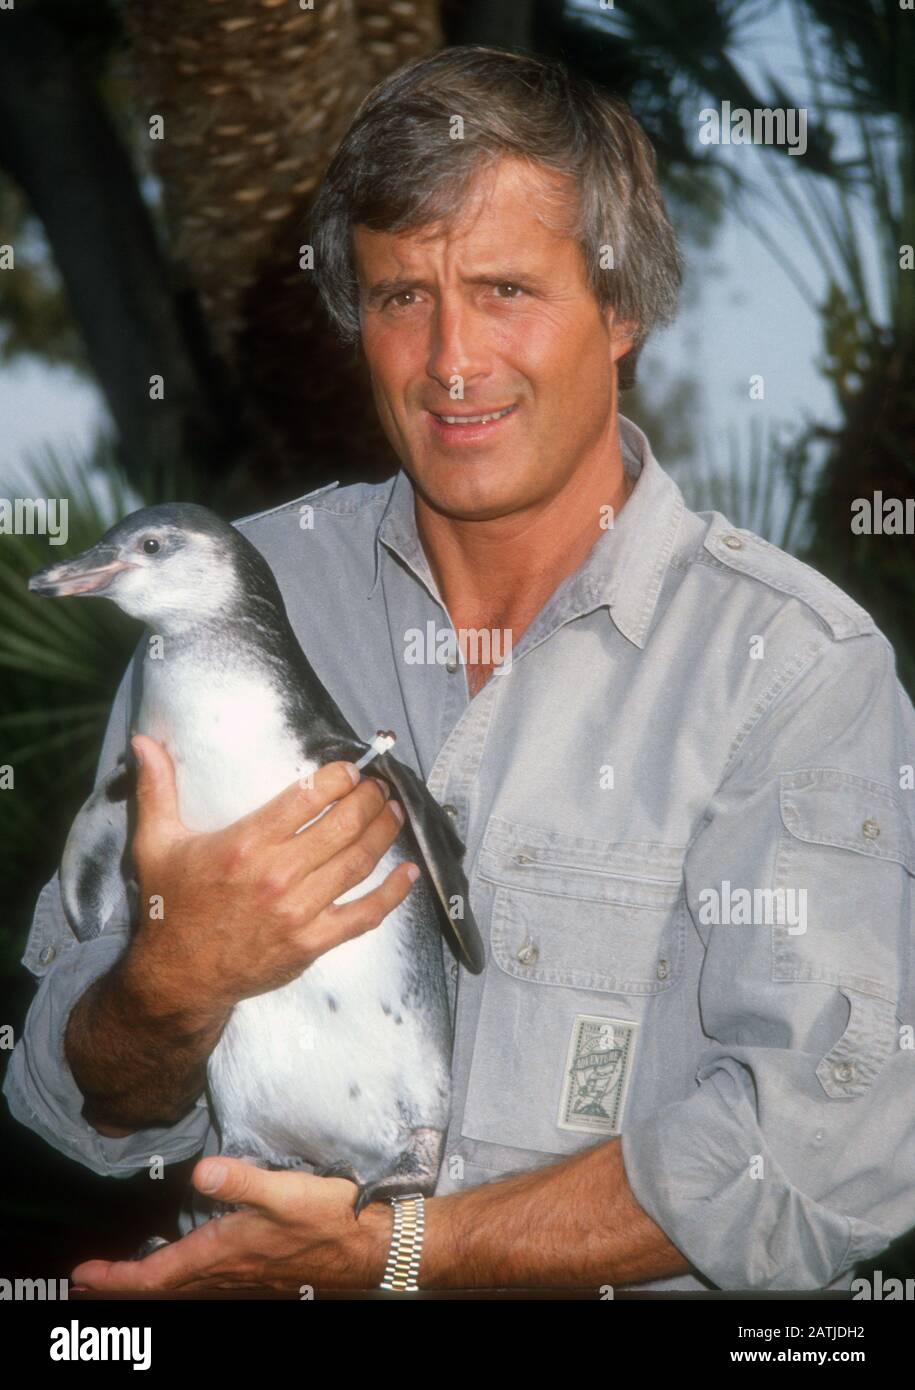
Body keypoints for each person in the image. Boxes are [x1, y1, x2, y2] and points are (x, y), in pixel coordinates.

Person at [5, 45, 915, 1295]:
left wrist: (402, 1258)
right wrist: (169, 980)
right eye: (400, 298)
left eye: (504, 289)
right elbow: (76, 1101)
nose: (450, 361)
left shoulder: (795, 671)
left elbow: (829, 1155)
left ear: (626, 306)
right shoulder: (221, 592)